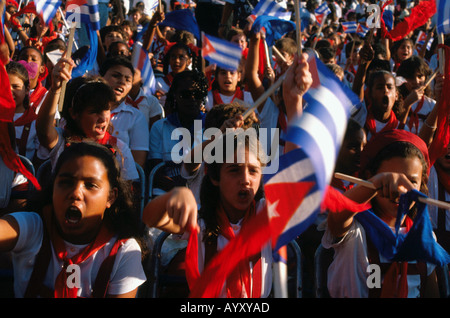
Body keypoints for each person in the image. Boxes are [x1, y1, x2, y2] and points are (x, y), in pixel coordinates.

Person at [142, 52, 313, 298]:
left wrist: (293, 99)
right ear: (214, 176)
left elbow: (296, 171)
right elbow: (150, 216)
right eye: (233, 169)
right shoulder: (199, 223)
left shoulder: (268, 216)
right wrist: (175, 197)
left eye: (253, 170)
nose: (245, 178)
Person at [0, 141, 147, 297]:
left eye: (90, 185)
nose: (76, 193)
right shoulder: (33, 227)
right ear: (53, 188)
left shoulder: (123, 250)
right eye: (65, 182)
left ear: (110, 197)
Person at [323, 129, 442, 298]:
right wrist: (375, 183)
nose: (400, 190)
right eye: (391, 180)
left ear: (422, 184)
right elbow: (338, 214)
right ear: (370, 177)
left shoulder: (424, 237)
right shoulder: (355, 229)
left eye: (411, 182)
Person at [35, 55, 139, 182]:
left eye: (106, 109)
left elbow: (130, 192)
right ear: (74, 113)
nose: (103, 118)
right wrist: (55, 88)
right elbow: (43, 131)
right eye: (94, 112)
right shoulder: (62, 140)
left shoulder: (119, 148)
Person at [148, 70, 208, 192]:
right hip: (167, 192)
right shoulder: (159, 127)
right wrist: (180, 191)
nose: (191, 99)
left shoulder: (210, 126)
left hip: (202, 193)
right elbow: (156, 172)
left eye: (197, 94)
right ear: (175, 95)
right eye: (185, 94)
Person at [396, 56, 435, 134]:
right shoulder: (395, 101)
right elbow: (394, 127)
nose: (416, 82)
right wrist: (406, 104)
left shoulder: (432, 105)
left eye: (420, 76)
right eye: (410, 77)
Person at [363, 70, 403, 140]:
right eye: (380, 87)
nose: (385, 90)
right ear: (370, 94)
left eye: (389, 87)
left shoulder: (401, 129)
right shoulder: (362, 122)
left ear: (396, 95)